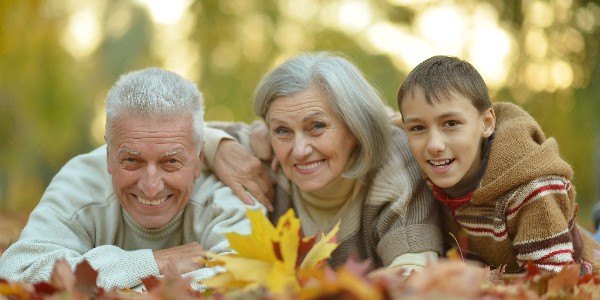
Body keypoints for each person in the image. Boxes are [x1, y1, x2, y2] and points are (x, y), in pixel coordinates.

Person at [0, 68, 265, 290]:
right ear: (108, 157)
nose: (151, 186)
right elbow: (19, 268)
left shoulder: (226, 191)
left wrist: (109, 284)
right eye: (131, 161)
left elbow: (248, 277)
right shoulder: (80, 181)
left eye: (170, 162)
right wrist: (151, 262)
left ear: (199, 160)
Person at [208, 52, 443, 272]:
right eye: (282, 130)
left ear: (355, 127)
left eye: (317, 126)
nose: (299, 151)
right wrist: (218, 147)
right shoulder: (265, 149)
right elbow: (180, 134)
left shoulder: (393, 158)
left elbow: (414, 269)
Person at [396, 55, 600, 274]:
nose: (434, 145)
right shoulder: (431, 167)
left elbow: (548, 283)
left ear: (486, 123)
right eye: (418, 128)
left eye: (451, 124)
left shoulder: (530, 191)